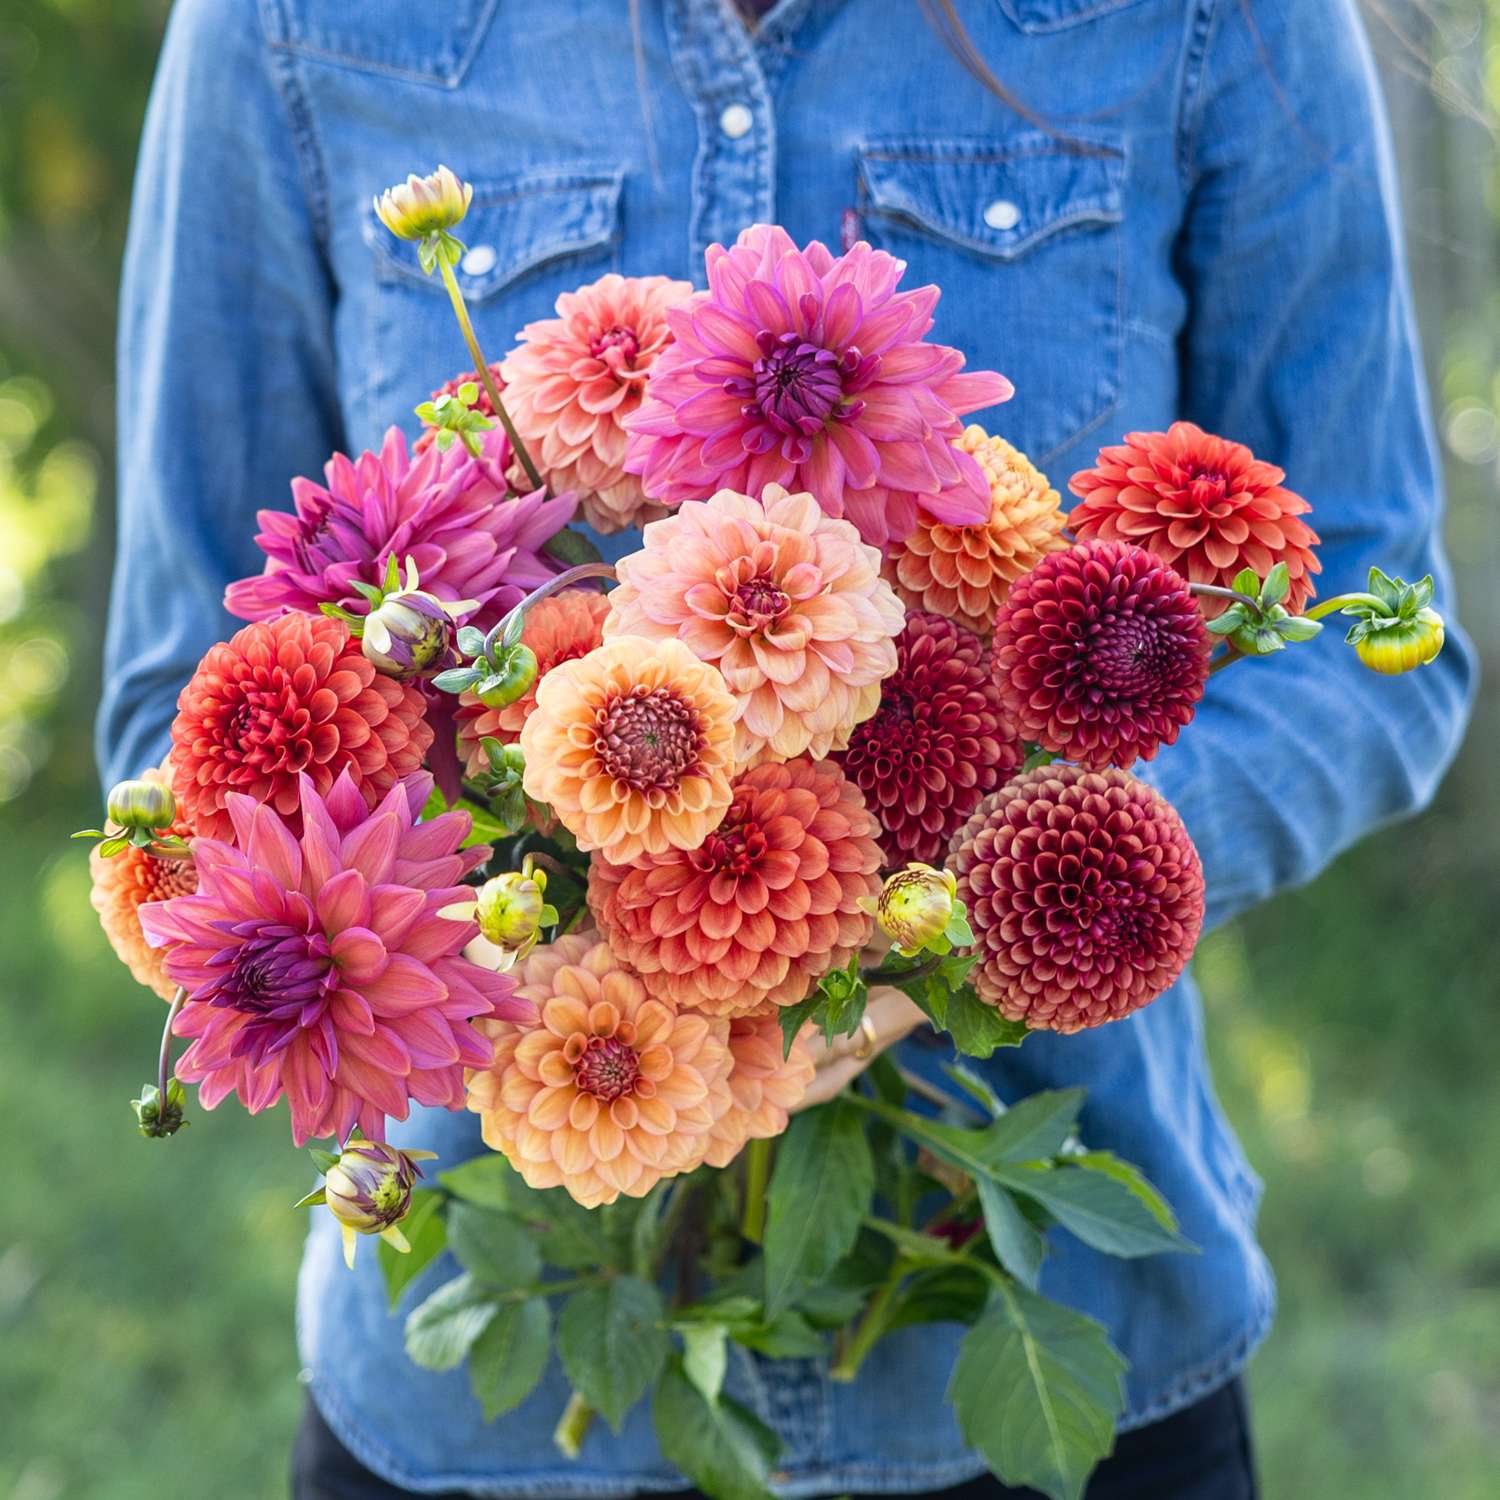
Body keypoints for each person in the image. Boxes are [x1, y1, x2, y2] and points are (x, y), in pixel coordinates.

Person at [99, 1, 1474, 1497]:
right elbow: (185, 690)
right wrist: (495, 924)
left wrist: (1011, 914)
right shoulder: (291, 26)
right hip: (490, 1394)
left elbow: (1369, 634)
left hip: (1055, 1327)